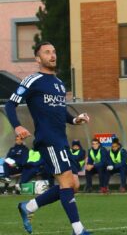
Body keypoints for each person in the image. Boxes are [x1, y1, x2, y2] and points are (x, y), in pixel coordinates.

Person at [5, 41, 92, 235]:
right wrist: (17, 126)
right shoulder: (32, 80)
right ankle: (78, 231)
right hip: (48, 139)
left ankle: (28, 207)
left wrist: (75, 119)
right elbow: (10, 105)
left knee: (73, 185)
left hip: (61, 139)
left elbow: (61, 113)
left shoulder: (60, 84)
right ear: (38, 58)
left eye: (54, 52)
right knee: (67, 183)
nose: (52, 55)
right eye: (47, 52)